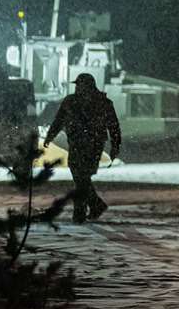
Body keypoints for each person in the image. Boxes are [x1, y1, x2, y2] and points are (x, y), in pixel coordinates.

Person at [44, 72, 122, 221]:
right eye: (77, 85)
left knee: (81, 177)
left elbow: (113, 127)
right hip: (82, 144)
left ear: (87, 86)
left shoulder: (95, 102)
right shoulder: (87, 102)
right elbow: (59, 121)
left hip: (89, 144)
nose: (78, 88)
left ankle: (84, 210)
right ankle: (89, 207)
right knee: (82, 177)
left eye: (80, 85)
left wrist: (115, 145)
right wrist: (50, 136)